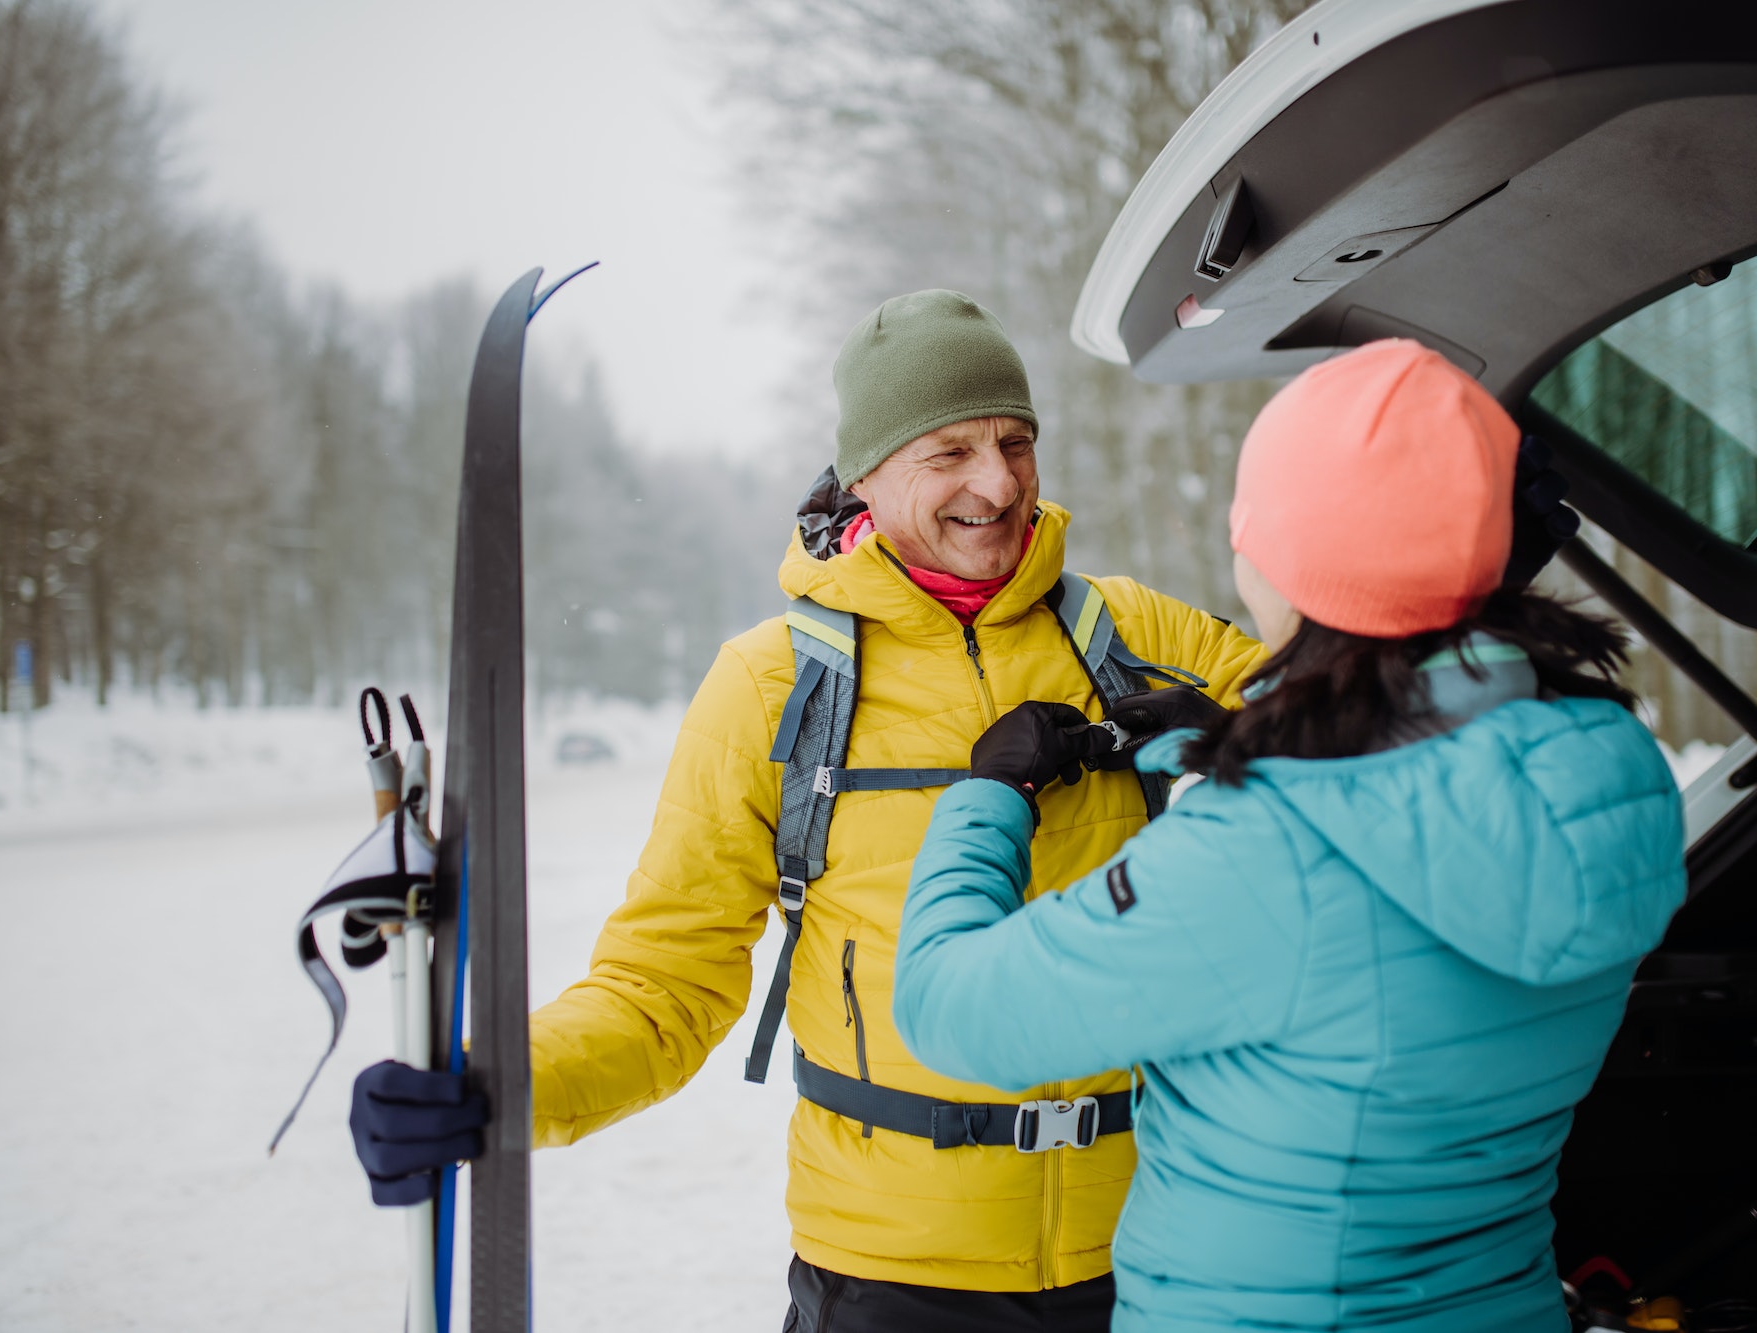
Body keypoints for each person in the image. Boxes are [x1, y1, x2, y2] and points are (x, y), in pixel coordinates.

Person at [348, 290, 1267, 1331]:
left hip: (1155, 1249)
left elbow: (1362, 734)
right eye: (949, 450)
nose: (999, 481)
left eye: (1015, 441)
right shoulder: (773, 684)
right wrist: (493, 1082)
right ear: (867, 474)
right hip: (888, 1277)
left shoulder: (1132, 631)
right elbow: (665, 980)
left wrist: (1246, 732)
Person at [891, 339, 1689, 1331]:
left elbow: (946, 1006)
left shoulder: (1260, 855)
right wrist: (1240, 738)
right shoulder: (1599, 767)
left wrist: (988, 797)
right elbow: (1397, 828)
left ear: (1285, 554)